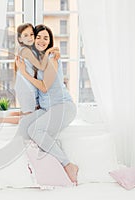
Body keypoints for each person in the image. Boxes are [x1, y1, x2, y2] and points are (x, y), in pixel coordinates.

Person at [16, 24, 79, 185]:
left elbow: (44, 86)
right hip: (47, 109)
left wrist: (23, 72)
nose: (42, 41)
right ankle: (43, 165)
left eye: (46, 38)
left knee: (36, 131)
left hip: (63, 106)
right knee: (24, 129)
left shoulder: (52, 58)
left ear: (50, 41)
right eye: (38, 37)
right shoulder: (37, 61)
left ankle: (68, 165)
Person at [0, 23, 59, 127]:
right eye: (25, 35)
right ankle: (0, 119)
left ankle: (1, 115)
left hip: (24, 85)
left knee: (26, 111)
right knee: (28, 116)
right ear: (20, 39)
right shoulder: (26, 51)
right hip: (26, 86)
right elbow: (41, 67)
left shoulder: (26, 50)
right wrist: (47, 54)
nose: (30, 38)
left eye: (31, 34)